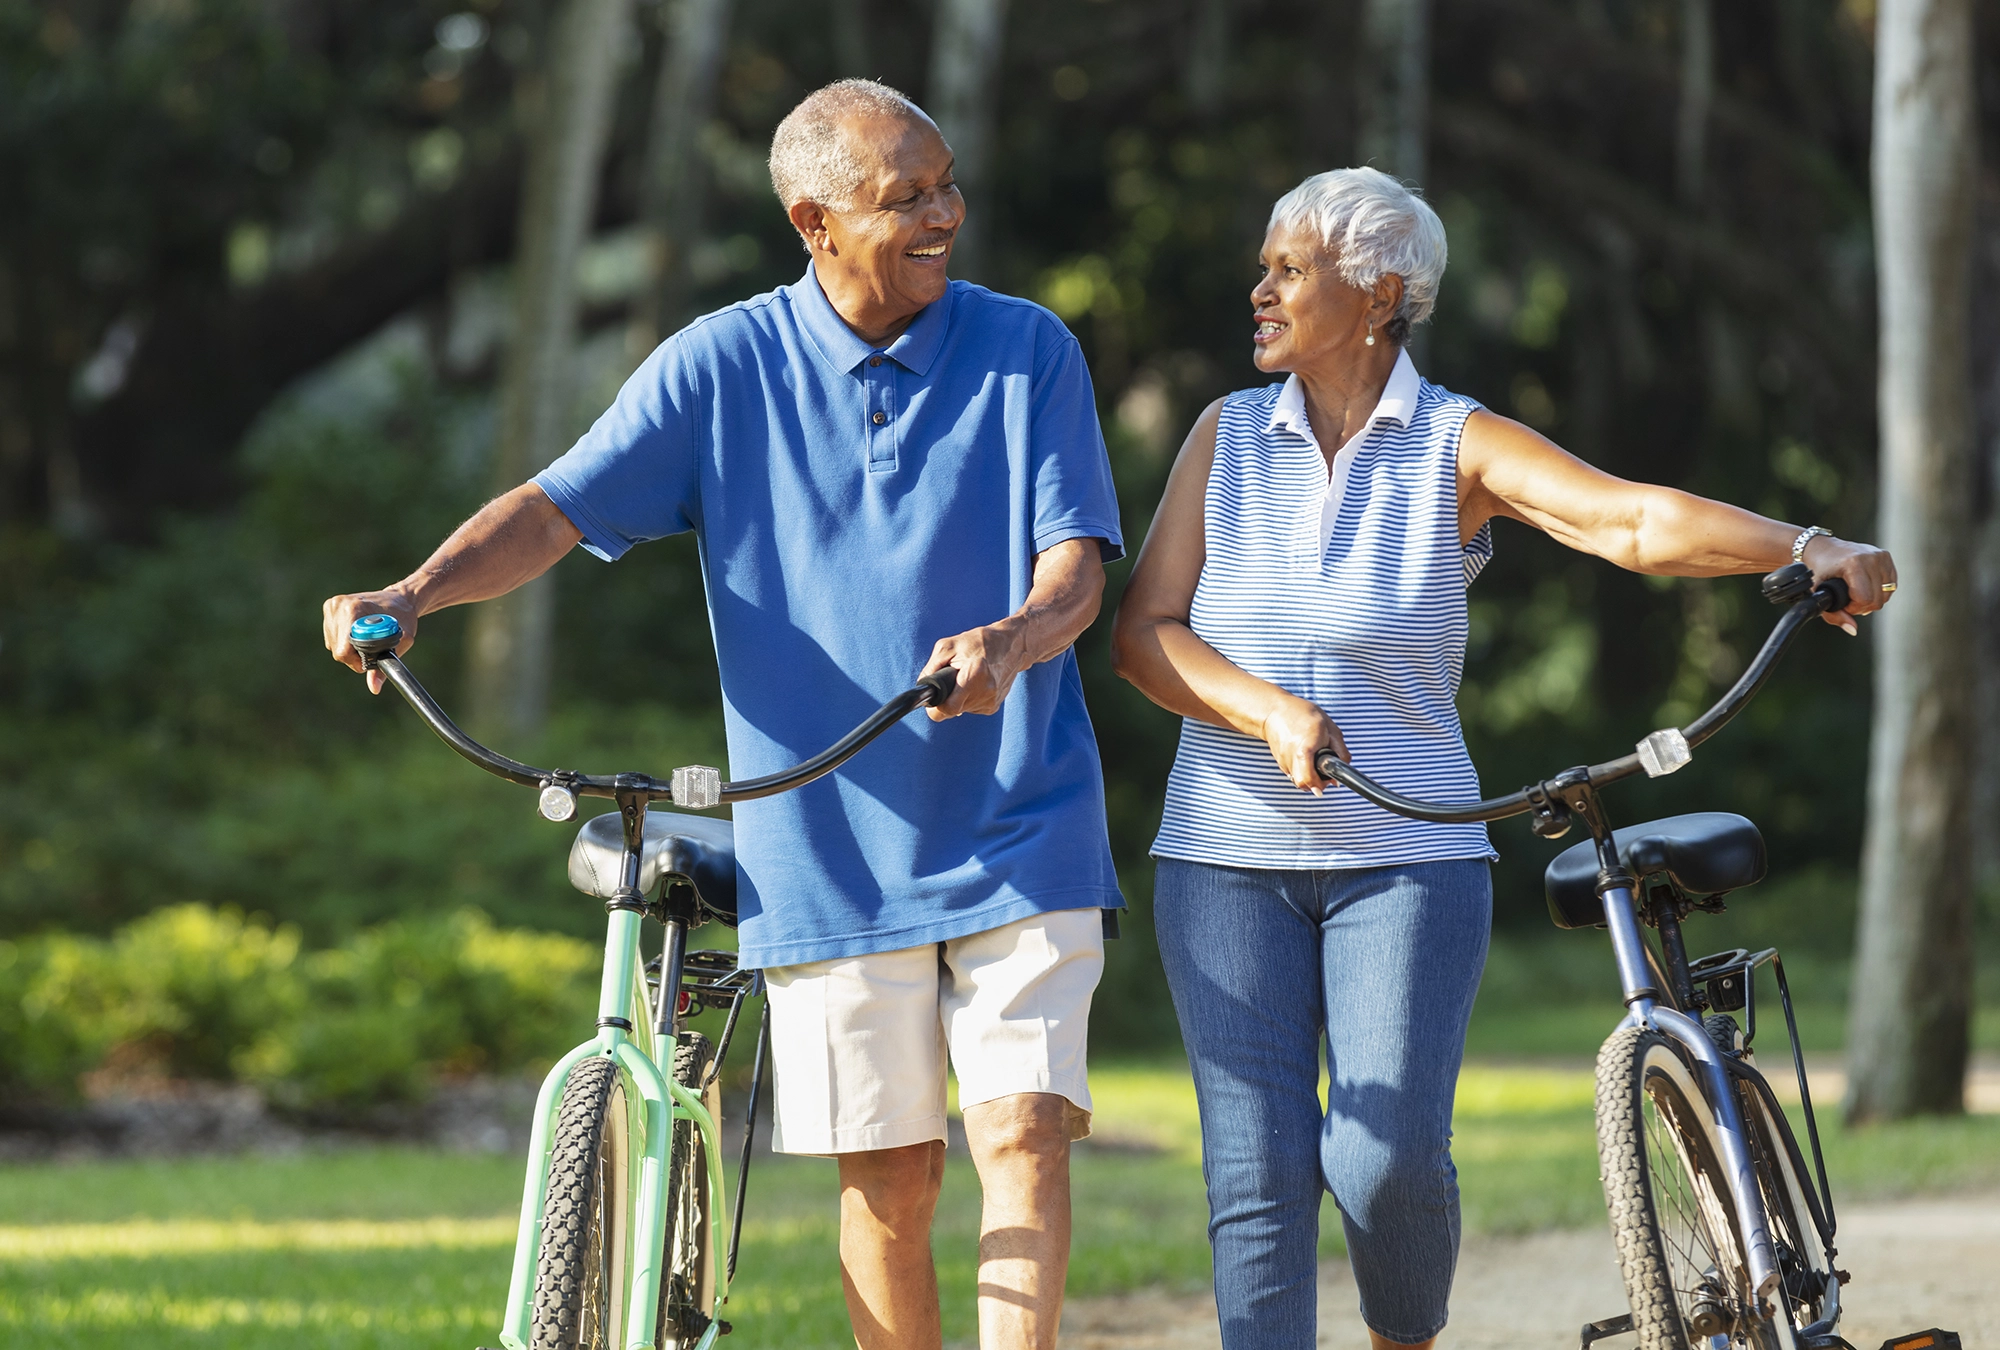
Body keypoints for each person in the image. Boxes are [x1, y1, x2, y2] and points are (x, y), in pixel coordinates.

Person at [323, 79, 1125, 1350]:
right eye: (902, 197)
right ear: (812, 220)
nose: (943, 214)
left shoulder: (1028, 347)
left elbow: (1075, 571)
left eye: (945, 184)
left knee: (1021, 1130)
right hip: (820, 846)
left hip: (1018, 822)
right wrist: (413, 592)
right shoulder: (721, 364)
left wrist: (1010, 643)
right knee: (890, 1178)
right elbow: (555, 506)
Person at [1109, 167, 1895, 1350]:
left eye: (1288, 268)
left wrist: (1803, 541)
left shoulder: (1450, 443)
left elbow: (1625, 521)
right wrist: (1264, 709)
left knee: (1383, 1164)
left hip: (1405, 862)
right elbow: (1143, 636)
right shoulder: (1224, 436)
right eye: (1262, 266)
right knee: (1256, 1177)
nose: (1258, 288)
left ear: (1377, 293)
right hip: (1220, 862)